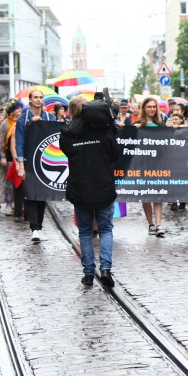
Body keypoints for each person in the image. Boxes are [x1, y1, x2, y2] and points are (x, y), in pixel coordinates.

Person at [60, 96, 119, 287]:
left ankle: (88, 273)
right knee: (106, 229)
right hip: (104, 186)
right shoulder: (105, 132)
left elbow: (66, 151)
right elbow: (115, 155)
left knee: (85, 232)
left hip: (80, 188)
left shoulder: (68, 133)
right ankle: (106, 269)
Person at [14, 90, 56, 242]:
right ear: (30, 100)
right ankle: (34, 228)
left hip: (45, 161)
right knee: (31, 195)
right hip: (28, 161)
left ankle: (39, 227)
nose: (38, 100)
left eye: (40, 97)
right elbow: (19, 143)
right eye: (35, 97)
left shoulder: (50, 117)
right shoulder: (22, 119)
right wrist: (20, 165)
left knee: (43, 195)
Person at [135, 97, 166, 237]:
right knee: (146, 195)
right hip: (142, 164)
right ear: (144, 109)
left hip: (158, 164)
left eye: (154, 107)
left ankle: (159, 224)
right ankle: (150, 224)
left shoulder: (161, 125)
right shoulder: (137, 125)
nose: (152, 109)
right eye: (149, 107)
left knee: (158, 195)